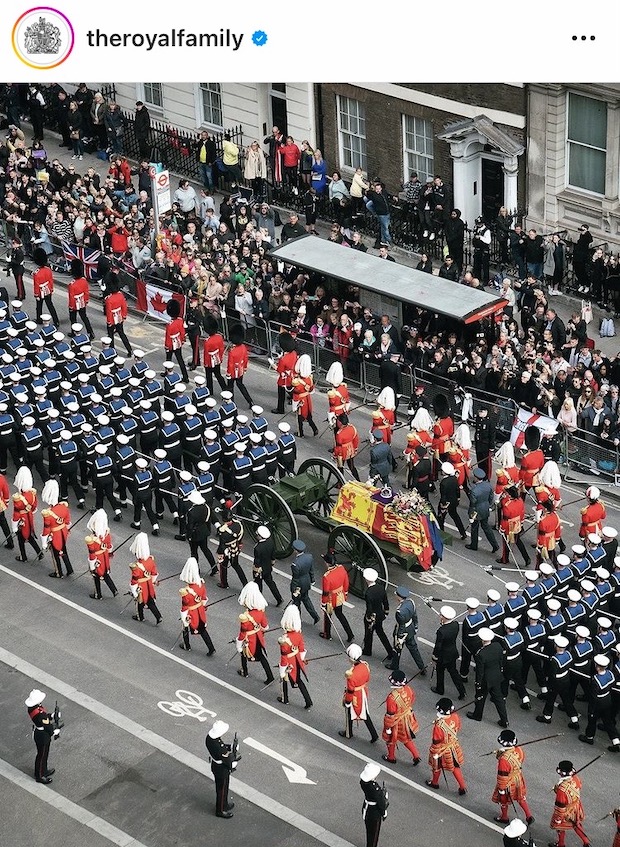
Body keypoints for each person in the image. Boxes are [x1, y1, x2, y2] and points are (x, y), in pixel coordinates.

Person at [466, 627, 509, 727]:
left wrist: (478, 683)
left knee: (480, 698)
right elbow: (501, 660)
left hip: (486, 680)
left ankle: (477, 715)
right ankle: (504, 720)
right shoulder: (498, 646)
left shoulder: (481, 654)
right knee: (499, 699)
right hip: (496, 676)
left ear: (482, 640)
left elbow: (480, 672)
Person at [491, 729, 534, 824]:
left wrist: (501, 789)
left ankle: (504, 817)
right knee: (521, 797)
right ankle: (528, 816)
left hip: (508, 781)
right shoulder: (519, 750)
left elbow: (502, 776)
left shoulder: (504, 760)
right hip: (518, 777)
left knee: (503, 800)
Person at [236, 581, 274, 684]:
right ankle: (270, 676)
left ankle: (244, 671)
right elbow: (265, 626)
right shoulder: (261, 611)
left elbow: (242, 633)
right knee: (261, 656)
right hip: (258, 637)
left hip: (249, 639)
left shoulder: (245, 617)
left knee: (243, 653)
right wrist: (259, 630)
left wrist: (238, 642)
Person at [426, 697, 467, 794]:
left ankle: (434, 782)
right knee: (455, 766)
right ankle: (462, 787)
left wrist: (434, 752)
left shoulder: (439, 725)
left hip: (441, 748)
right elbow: (458, 727)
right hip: (453, 745)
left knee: (436, 766)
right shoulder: (455, 716)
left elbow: (436, 740)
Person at [339, 643, 379, 742]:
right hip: (363, 692)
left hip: (355, 695)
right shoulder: (365, 665)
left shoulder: (351, 675)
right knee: (365, 713)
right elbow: (367, 678)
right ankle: (374, 734)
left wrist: (347, 701)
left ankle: (348, 733)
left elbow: (350, 690)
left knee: (349, 712)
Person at [382, 669, 421, 765]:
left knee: (390, 739)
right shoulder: (408, 689)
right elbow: (412, 699)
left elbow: (390, 715)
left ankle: (391, 757)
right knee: (406, 739)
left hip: (397, 721)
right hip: (407, 718)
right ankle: (416, 756)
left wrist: (387, 728)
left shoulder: (391, 698)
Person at [178, 556, 216, 656]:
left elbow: (185, 606)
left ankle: (187, 645)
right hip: (200, 610)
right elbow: (204, 598)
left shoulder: (185, 592)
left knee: (185, 626)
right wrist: (202, 606)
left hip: (191, 612)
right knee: (202, 629)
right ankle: (211, 648)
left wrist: (184, 616)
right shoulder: (200, 585)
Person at [277, 604, 312, 709]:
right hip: (297, 659)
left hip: (289, 661)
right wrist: (302, 659)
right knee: (298, 680)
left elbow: (283, 656)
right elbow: (301, 648)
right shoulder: (298, 634)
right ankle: (308, 700)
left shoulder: (284, 639)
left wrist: (282, 668)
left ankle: (285, 698)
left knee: (284, 678)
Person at [550, 760, 589, 847]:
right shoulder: (576, 778)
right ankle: (586, 842)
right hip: (576, 806)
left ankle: (561, 844)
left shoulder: (562, 789)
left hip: (566, 810)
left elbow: (560, 805)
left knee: (560, 827)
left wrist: (558, 818)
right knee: (577, 825)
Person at [388, 586, 427, 675]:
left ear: (399, 597)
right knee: (414, 649)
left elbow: (401, 626)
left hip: (403, 631)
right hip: (410, 628)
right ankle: (422, 667)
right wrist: (415, 627)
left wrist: (399, 637)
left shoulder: (399, 611)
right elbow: (414, 616)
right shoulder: (411, 602)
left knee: (397, 648)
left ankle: (394, 665)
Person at [205, 720, 239, 818]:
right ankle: (220, 810)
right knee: (222, 790)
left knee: (225, 787)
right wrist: (232, 763)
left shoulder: (211, 738)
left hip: (218, 767)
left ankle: (224, 804)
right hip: (221, 769)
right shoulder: (216, 744)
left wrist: (230, 747)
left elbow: (222, 747)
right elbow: (224, 756)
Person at [431, 605, 466, 700]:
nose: (440, 616)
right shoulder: (455, 625)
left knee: (440, 671)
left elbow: (438, 646)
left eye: (441, 615)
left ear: (444, 617)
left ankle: (440, 689)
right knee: (454, 673)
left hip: (443, 656)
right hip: (452, 653)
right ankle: (462, 691)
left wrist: (434, 657)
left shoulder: (441, 631)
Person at [25, 689, 60, 784]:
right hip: (43, 735)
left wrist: (51, 716)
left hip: (39, 732)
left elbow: (44, 718)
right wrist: (54, 731)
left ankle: (43, 770)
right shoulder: (39, 713)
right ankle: (39, 775)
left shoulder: (33, 709)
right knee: (42, 755)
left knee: (44, 754)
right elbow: (47, 725)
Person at [40, 479, 73, 578]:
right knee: (63, 550)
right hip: (63, 532)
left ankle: (59, 572)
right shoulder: (63, 507)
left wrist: (44, 541)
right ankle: (69, 569)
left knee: (55, 554)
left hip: (55, 535)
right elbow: (67, 521)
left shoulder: (48, 513)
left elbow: (46, 529)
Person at [128, 532, 162, 624]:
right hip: (149, 584)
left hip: (141, 585)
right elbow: (154, 573)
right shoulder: (150, 560)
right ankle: (158, 616)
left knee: (140, 602)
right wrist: (153, 582)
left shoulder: (136, 566)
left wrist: (134, 591)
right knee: (150, 601)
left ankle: (140, 616)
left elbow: (134, 580)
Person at [320, 551, 354, 642]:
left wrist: (323, 603)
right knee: (340, 615)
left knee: (328, 617)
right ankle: (350, 634)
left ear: (327, 563)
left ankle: (327, 634)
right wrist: (345, 594)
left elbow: (325, 592)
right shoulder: (341, 568)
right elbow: (346, 582)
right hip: (340, 596)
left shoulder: (326, 577)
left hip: (330, 599)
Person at [12, 467, 43, 563]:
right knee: (29, 536)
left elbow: (16, 513)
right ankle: (39, 553)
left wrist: (14, 525)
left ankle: (23, 556)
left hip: (22, 519)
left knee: (21, 538)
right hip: (29, 517)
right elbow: (34, 507)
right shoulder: (32, 494)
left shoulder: (19, 498)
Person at [362, 567, 394, 661]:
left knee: (368, 634)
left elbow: (369, 608)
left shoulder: (368, 593)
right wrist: (386, 611)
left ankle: (367, 650)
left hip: (372, 617)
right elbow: (385, 602)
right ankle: (390, 652)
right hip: (380, 614)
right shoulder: (381, 588)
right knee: (381, 633)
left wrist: (369, 618)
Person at [85, 508, 118, 600]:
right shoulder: (106, 534)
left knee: (96, 575)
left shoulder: (91, 539)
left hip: (97, 559)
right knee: (105, 573)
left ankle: (98, 594)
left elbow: (92, 554)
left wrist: (92, 566)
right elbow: (109, 545)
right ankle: (114, 590)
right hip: (104, 557)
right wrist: (109, 553)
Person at [466, 468, 499, 554]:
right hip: (485, 509)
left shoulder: (474, 491)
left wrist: (471, 515)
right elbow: (491, 498)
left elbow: (473, 504)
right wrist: (488, 505)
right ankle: (495, 545)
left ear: (476, 478)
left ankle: (474, 545)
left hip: (476, 511)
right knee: (486, 527)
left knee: (474, 528)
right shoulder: (488, 485)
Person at [215, 506, 246, 589]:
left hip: (226, 549)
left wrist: (220, 554)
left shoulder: (223, 531)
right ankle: (245, 583)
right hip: (235, 547)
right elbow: (240, 535)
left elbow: (222, 544)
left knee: (223, 566)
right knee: (236, 565)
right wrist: (239, 544)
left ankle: (224, 583)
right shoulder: (238, 524)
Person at [290, 538, 320, 624]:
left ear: (296, 551)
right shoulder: (309, 557)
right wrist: (312, 580)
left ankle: (297, 620)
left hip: (298, 586)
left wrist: (293, 589)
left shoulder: (295, 564)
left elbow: (295, 579)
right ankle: (315, 616)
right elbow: (311, 570)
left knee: (296, 603)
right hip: (306, 582)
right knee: (306, 600)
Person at [360, 763, 388, 847]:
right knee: (374, 835)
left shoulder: (363, 783)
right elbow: (381, 803)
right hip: (374, 812)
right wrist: (384, 812)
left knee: (369, 832)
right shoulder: (374, 788)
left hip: (366, 808)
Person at [252, 525, 282, 606]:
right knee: (271, 583)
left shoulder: (257, 548)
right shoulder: (270, 542)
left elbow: (257, 561)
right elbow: (272, 556)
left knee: (258, 585)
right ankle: (279, 598)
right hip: (268, 567)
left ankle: (258, 601)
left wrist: (256, 571)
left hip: (260, 569)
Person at [270, 331, 298, 415]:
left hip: (284, 379)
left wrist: (274, 365)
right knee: (291, 390)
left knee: (281, 395)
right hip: (292, 376)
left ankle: (280, 409)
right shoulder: (293, 353)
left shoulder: (283, 359)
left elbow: (280, 370)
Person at [437, 462, 467, 540]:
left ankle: (441, 535)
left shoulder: (443, 482)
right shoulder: (454, 479)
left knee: (441, 519)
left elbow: (443, 496)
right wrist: (458, 498)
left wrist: (443, 505)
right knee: (455, 517)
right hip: (453, 501)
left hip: (446, 503)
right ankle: (463, 533)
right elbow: (457, 490)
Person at [104, 277, 132, 356]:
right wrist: (124, 316)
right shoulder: (120, 295)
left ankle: (112, 351)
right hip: (119, 316)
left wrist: (109, 322)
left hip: (112, 318)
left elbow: (109, 312)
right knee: (121, 333)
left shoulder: (109, 299)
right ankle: (129, 349)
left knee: (110, 335)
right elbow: (124, 307)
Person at [32, 248, 60, 327]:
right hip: (47, 290)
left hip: (40, 291)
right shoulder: (48, 270)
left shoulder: (36, 273)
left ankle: (39, 319)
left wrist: (36, 295)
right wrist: (51, 289)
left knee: (39, 306)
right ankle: (56, 321)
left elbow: (36, 285)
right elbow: (51, 280)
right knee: (50, 306)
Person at [292, 354, 318, 437]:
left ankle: (301, 433)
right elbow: (311, 389)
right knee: (308, 416)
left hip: (301, 400)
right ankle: (314, 429)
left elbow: (296, 394)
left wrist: (294, 406)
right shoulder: (309, 378)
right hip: (307, 399)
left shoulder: (297, 382)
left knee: (299, 417)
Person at [67, 259, 94, 340]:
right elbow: (86, 292)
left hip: (74, 303)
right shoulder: (84, 280)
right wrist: (86, 300)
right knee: (84, 317)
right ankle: (91, 333)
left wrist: (71, 307)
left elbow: (71, 297)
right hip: (82, 301)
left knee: (73, 319)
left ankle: (73, 332)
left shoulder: (72, 284)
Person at [164, 299, 188, 382]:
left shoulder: (170, 324)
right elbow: (182, 332)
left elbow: (168, 337)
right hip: (178, 342)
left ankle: (167, 372)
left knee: (168, 358)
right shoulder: (180, 320)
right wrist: (182, 340)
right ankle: (185, 377)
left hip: (171, 344)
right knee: (180, 359)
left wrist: (167, 346)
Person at [333, 413, 361, 481]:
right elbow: (356, 439)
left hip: (342, 452)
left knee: (340, 467)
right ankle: (358, 480)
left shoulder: (339, 434)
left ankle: (340, 482)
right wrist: (355, 449)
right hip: (350, 450)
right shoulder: (352, 428)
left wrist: (335, 454)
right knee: (352, 467)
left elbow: (338, 447)